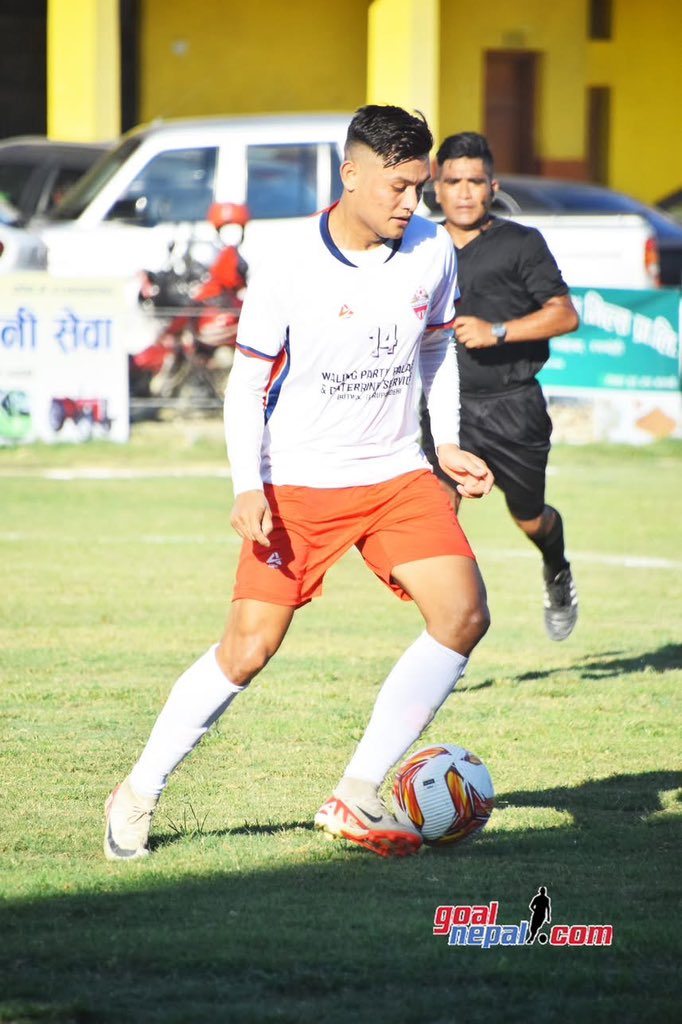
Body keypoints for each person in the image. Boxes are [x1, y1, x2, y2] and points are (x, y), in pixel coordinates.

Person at [104, 105, 494, 863]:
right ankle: (138, 792)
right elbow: (246, 384)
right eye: (398, 186)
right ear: (350, 176)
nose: (411, 203)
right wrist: (247, 485)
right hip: (298, 485)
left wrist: (444, 443)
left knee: (462, 615)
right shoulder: (288, 260)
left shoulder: (432, 252)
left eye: (420, 187)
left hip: (394, 475)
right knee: (247, 651)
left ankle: (357, 791)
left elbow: (437, 351)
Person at [421, 131, 580, 641]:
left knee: (530, 518)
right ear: (436, 187)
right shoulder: (418, 245)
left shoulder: (521, 243)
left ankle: (556, 567)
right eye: (453, 181)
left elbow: (564, 314)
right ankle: (450, 631)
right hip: (445, 409)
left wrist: (499, 331)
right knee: (438, 518)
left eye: (474, 181)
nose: (464, 192)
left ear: (492, 185)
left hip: (513, 405)